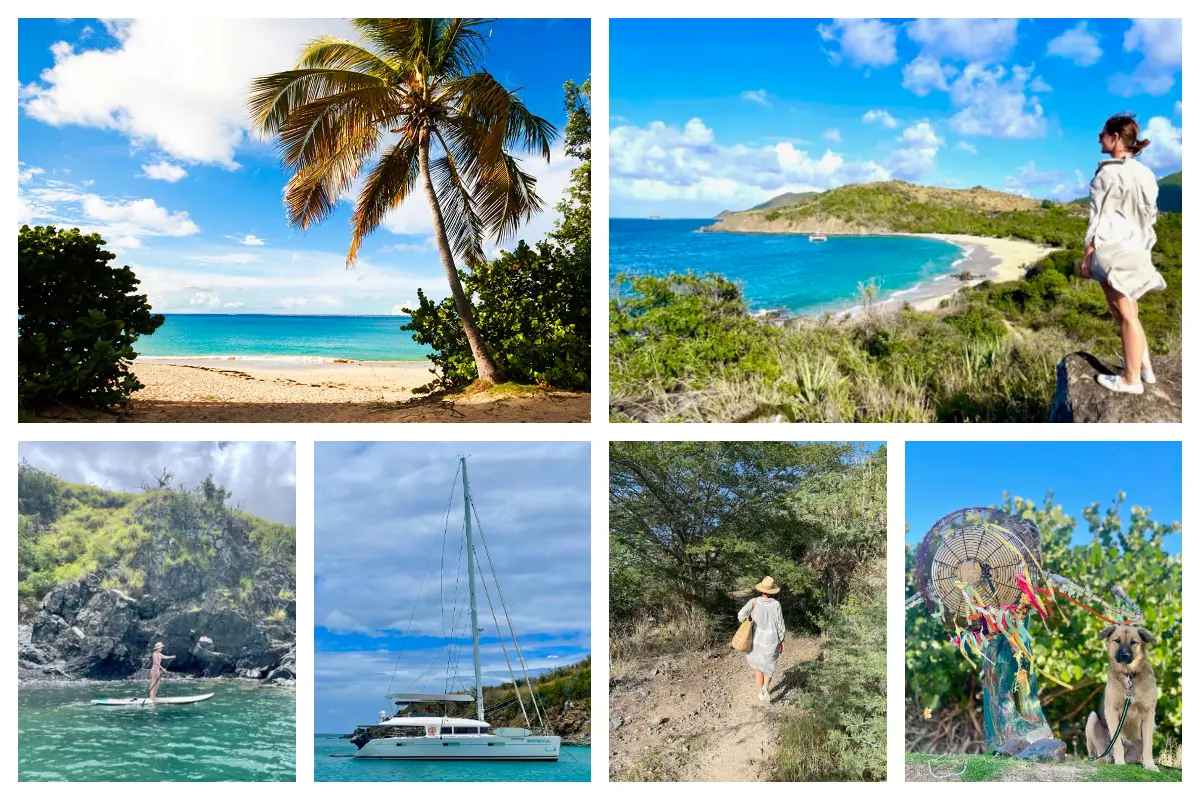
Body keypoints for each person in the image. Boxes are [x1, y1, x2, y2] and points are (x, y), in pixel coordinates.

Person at [1080, 113, 1165, 394]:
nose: (1099, 138)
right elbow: (1149, 215)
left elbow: (1099, 217)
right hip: (1136, 247)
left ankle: (1131, 379)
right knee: (1132, 311)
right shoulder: (1146, 173)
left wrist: (1088, 252)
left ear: (1116, 138)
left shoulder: (1107, 172)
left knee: (1123, 313)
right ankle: (1145, 368)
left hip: (1111, 248)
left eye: (1103, 133)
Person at [737, 576, 786, 703]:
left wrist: (748, 619)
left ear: (762, 590)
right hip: (772, 641)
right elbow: (780, 624)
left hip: (756, 641)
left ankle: (760, 693)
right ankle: (765, 688)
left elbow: (740, 616)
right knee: (769, 667)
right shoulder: (776, 605)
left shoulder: (754, 602)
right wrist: (782, 640)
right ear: (772, 591)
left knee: (758, 667)